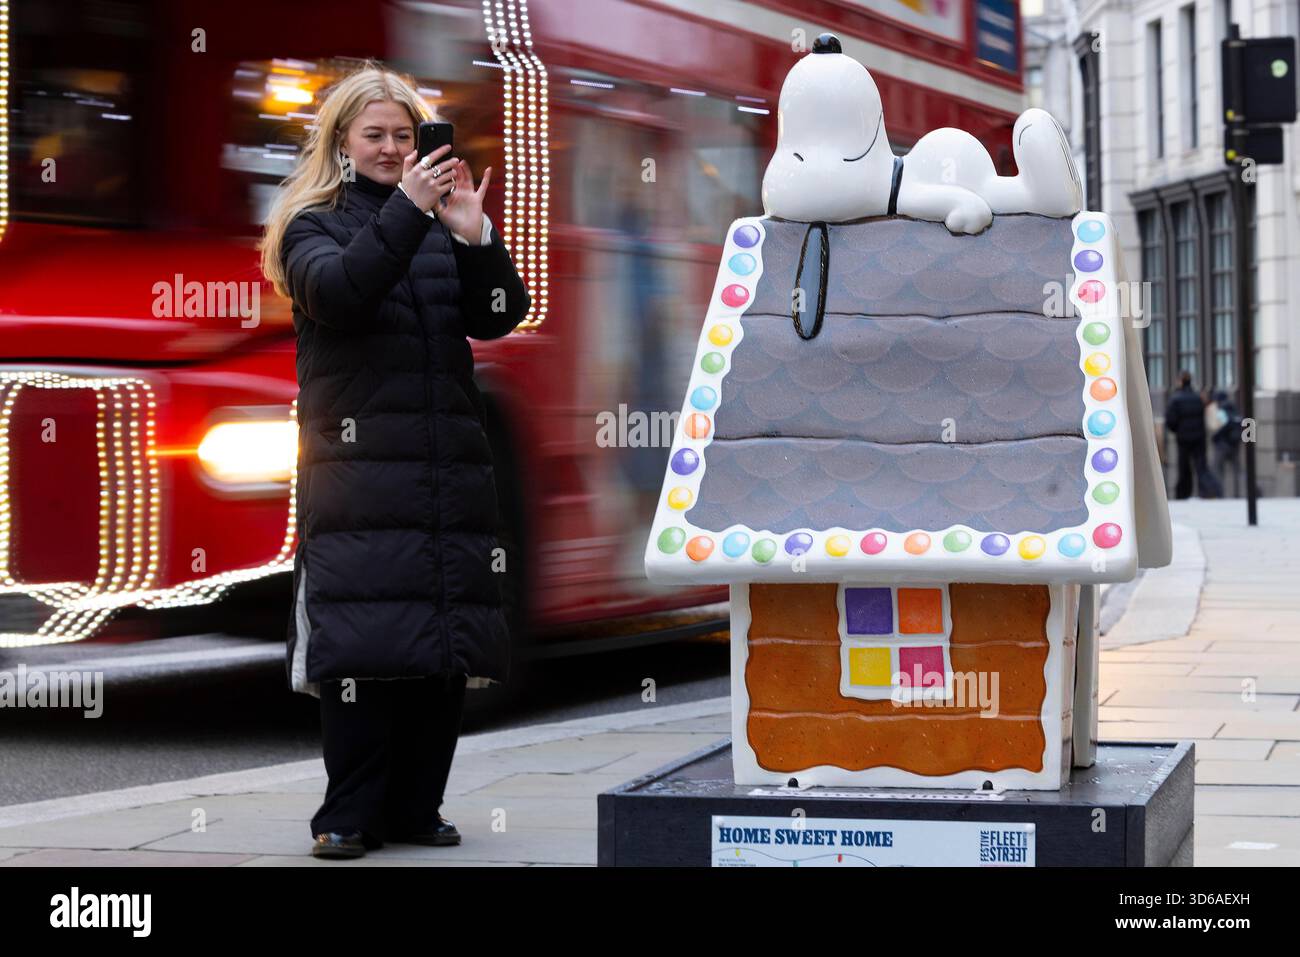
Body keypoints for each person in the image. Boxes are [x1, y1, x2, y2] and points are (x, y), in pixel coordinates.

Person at [259, 65, 530, 859]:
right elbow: (344, 293)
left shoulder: (442, 226)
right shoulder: (314, 226)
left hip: (446, 466)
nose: (390, 147)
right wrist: (414, 210)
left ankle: (417, 805)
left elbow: (498, 317)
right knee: (364, 643)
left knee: (442, 640)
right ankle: (347, 812)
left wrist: (476, 234)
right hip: (360, 469)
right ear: (342, 143)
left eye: (403, 136)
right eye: (374, 135)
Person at [1163, 371, 1222, 500]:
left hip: (1183, 438)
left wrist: (1176, 430)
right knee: (1201, 466)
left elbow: (1170, 420)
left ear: (1180, 382)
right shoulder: (1198, 397)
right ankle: (1207, 491)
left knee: (1184, 468)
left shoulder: (1175, 399)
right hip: (1199, 437)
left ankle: (1183, 494)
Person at [1209, 389, 1244, 497]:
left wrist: (1215, 436)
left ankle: (1220, 494)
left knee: (1218, 469)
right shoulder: (1235, 409)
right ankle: (1242, 493)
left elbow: (1224, 425)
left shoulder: (1221, 410)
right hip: (1235, 444)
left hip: (1222, 444)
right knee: (1238, 470)